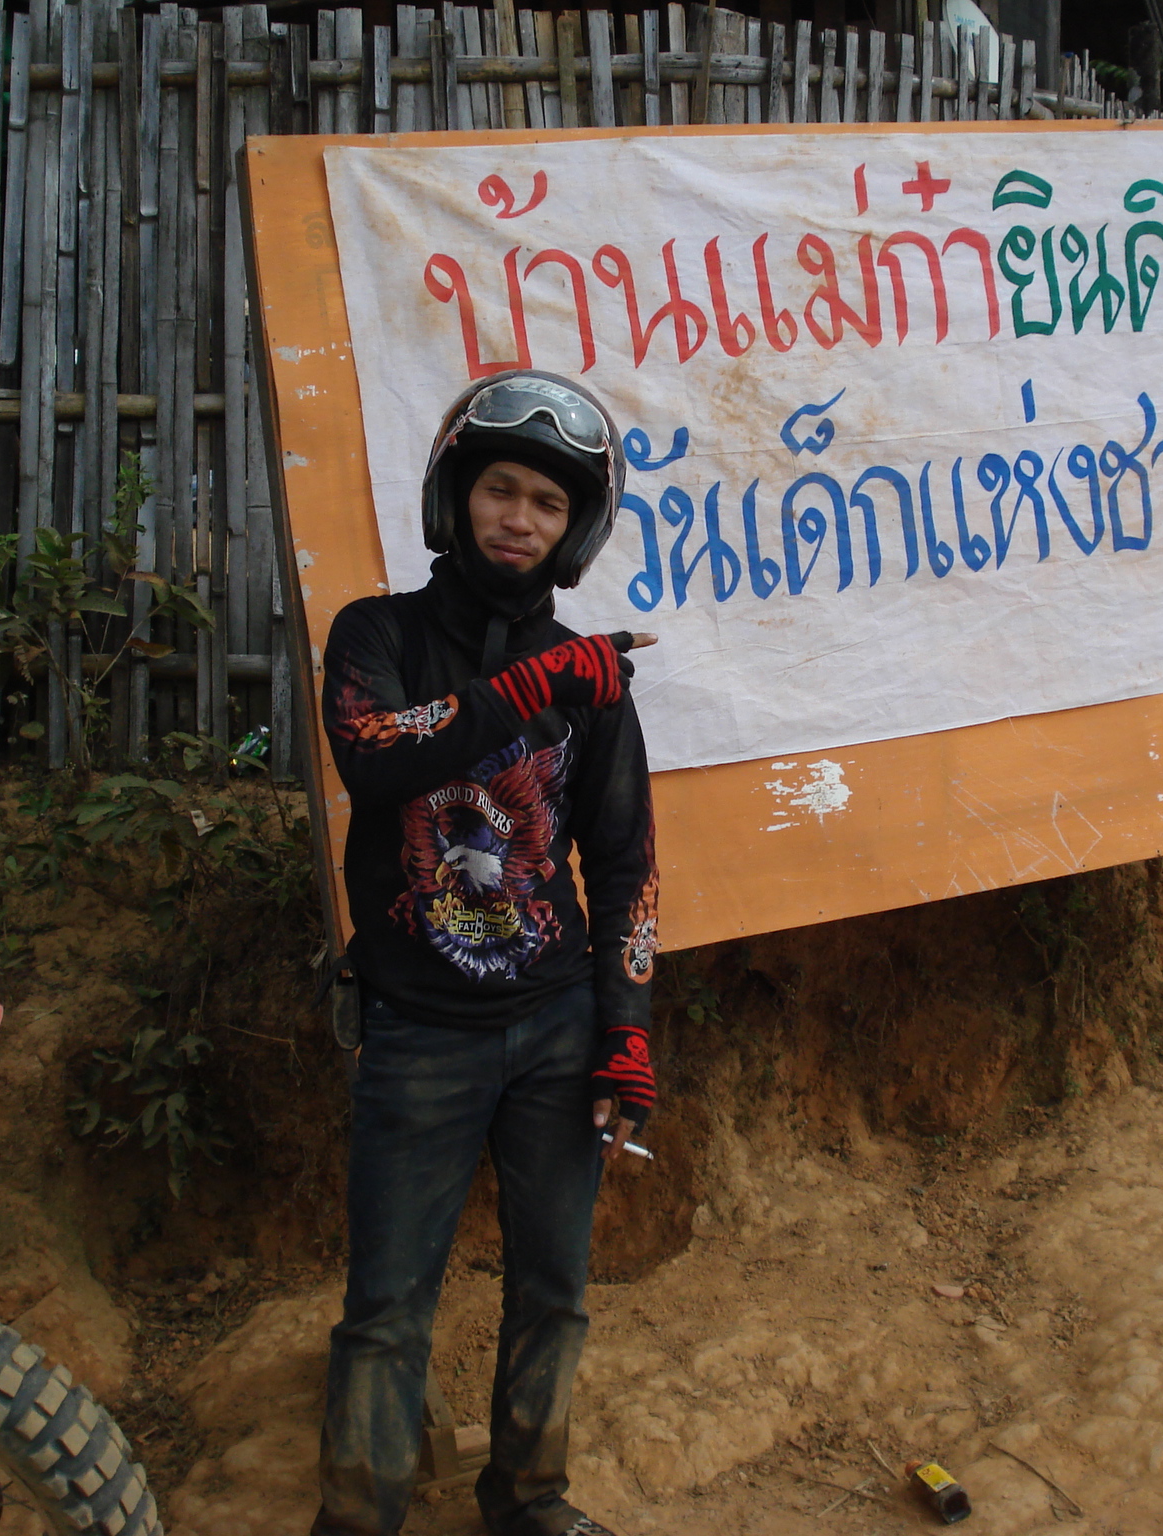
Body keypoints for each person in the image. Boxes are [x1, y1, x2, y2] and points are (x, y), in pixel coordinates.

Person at [312, 371, 659, 1536]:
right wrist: (531, 685)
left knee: (554, 1291)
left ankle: (527, 1499)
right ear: (455, 496)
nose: (519, 518)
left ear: (575, 529)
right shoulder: (378, 635)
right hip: (417, 1032)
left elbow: (624, 862)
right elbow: (373, 753)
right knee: (386, 1309)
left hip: (557, 1029)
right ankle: (357, 1521)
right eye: (500, 490)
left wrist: (625, 1029)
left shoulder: (589, 679)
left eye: (547, 504)